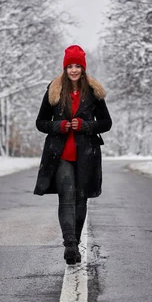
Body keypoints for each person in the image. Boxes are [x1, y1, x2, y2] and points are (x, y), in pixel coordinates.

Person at [34, 45, 112, 265]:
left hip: (87, 154)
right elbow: (40, 122)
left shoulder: (93, 91)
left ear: (83, 68)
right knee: (66, 197)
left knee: (81, 199)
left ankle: (75, 243)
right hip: (60, 155)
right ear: (65, 67)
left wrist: (86, 126)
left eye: (78, 66)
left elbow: (106, 123)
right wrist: (58, 126)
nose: (74, 70)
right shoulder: (54, 89)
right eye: (70, 66)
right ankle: (69, 245)